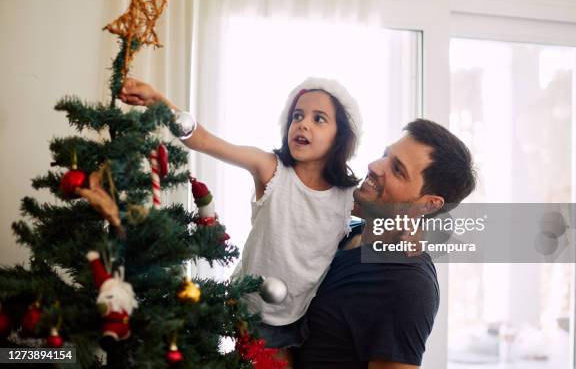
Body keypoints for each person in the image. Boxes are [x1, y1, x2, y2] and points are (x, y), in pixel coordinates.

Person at [119, 77, 363, 362]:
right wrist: (157, 100)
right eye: (298, 116)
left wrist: (426, 235)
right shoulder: (271, 169)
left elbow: (395, 213)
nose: (303, 124)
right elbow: (205, 141)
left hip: (302, 315)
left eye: (318, 118)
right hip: (253, 310)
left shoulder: (346, 195)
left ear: (340, 136)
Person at [294, 119, 476, 369]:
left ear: (429, 204)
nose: (374, 166)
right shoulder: (348, 233)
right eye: (384, 155)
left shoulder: (407, 285)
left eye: (398, 169)